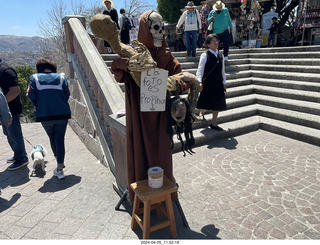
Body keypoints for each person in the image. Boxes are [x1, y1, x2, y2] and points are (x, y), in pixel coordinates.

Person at [27, 57, 71, 179]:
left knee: (52, 138)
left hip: (44, 115)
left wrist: (37, 105)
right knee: (60, 139)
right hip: (62, 114)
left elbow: (30, 95)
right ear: (53, 67)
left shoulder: (34, 78)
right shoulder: (61, 77)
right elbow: (67, 94)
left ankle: (59, 162)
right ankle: (60, 167)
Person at [0, 58, 28, 170]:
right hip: (4, 110)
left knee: (15, 135)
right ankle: (17, 155)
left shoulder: (6, 71)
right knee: (8, 133)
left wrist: (3, 105)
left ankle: (21, 158)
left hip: (11, 109)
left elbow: (15, 90)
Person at [196, 34, 227, 131]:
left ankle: (214, 122)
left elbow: (223, 70)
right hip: (208, 82)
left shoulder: (221, 55)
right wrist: (199, 82)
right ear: (208, 44)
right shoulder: (205, 55)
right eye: (213, 41)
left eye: (217, 41)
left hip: (218, 82)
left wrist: (224, 81)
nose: (216, 42)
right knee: (206, 100)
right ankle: (202, 112)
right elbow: (200, 69)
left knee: (217, 103)